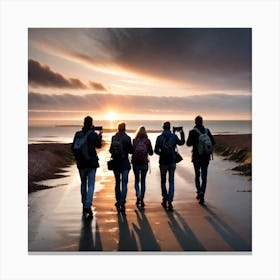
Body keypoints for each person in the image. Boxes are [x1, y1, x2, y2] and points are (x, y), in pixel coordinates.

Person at [72, 116, 102, 219]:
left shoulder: (78, 134)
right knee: (91, 184)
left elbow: (73, 147)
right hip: (91, 163)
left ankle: (84, 203)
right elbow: (98, 146)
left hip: (81, 163)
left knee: (83, 183)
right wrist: (99, 136)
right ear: (91, 124)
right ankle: (88, 205)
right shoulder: (93, 135)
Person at [154, 121, 185, 211]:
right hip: (172, 161)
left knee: (163, 181)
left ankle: (165, 199)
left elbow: (156, 150)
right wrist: (181, 132)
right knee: (171, 181)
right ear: (170, 127)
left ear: (163, 127)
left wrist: (161, 153)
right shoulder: (174, 136)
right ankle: (170, 201)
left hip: (163, 162)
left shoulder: (159, 138)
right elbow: (182, 142)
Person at [186, 115, 215, 205]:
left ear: (195, 122)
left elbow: (188, 144)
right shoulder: (207, 131)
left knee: (197, 175)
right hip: (206, 157)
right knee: (204, 176)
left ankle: (199, 192)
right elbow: (213, 142)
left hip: (196, 157)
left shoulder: (193, 132)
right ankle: (203, 192)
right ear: (202, 122)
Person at [109, 122, 133, 213]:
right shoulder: (127, 138)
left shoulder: (113, 137)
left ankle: (118, 200)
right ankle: (122, 202)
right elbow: (131, 151)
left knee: (117, 182)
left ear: (118, 128)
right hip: (125, 163)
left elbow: (111, 150)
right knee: (124, 183)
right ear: (125, 128)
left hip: (115, 163)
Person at [131, 126, 153, 207]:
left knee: (137, 180)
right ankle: (142, 199)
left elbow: (131, 151)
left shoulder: (135, 141)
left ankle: (138, 196)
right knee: (143, 181)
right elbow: (151, 153)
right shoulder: (147, 141)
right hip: (144, 163)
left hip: (135, 163)